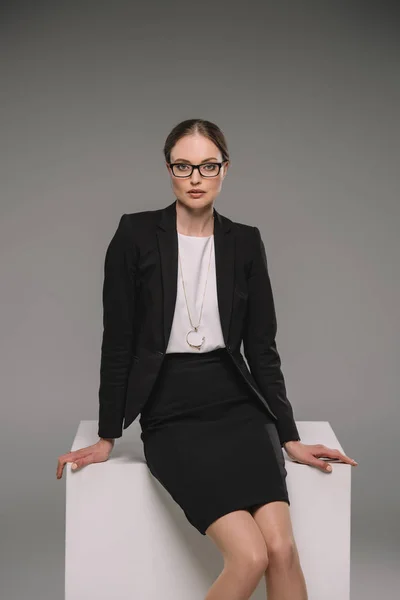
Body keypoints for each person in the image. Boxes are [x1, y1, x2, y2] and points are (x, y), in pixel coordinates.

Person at [57, 118, 358, 599]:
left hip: (237, 403)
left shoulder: (245, 242)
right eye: (183, 165)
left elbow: (262, 349)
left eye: (207, 165)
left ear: (225, 170)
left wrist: (290, 436)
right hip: (171, 410)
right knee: (250, 556)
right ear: (169, 170)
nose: (196, 177)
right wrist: (108, 434)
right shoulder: (134, 235)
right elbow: (117, 342)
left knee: (281, 549)